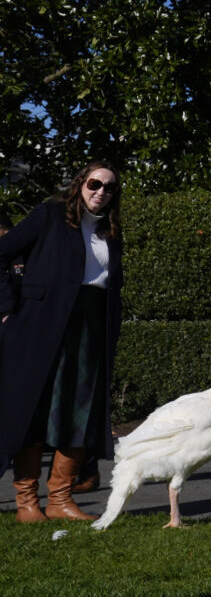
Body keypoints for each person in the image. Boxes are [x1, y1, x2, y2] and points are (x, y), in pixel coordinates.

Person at [0, 161, 125, 523]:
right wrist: (7, 307)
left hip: (90, 327)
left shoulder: (110, 230)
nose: (101, 191)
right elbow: (3, 253)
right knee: (34, 410)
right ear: (80, 183)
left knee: (79, 411)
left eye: (109, 187)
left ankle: (60, 500)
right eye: (95, 183)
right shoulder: (50, 215)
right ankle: (26, 503)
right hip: (40, 326)